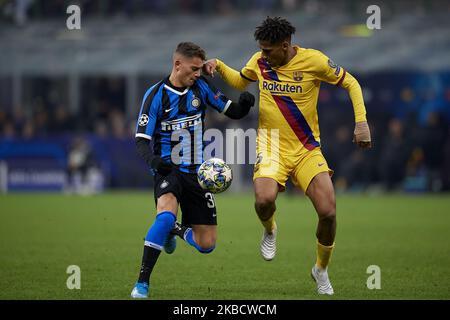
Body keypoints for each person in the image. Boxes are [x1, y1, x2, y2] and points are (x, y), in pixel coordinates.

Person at [203, 17, 371, 295]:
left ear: (285, 45)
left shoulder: (314, 61)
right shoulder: (260, 61)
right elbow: (239, 82)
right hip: (271, 146)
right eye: (262, 50)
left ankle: (320, 269)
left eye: (268, 50)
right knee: (264, 200)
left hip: (306, 149)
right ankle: (270, 229)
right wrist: (218, 65)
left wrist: (361, 122)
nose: (263, 55)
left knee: (328, 213)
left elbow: (351, 83)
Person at [130, 42, 255, 299]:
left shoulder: (201, 87)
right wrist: (154, 162)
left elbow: (232, 110)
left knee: (206, 245)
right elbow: (141, 140)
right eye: (194, 68)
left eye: (200, 69)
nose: (198, 74)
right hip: (168, 171)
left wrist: (245, 104)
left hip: (198, 174)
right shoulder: (155, 95)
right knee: (164, 216)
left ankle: (176, 230)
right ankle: (142, 283)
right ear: (177, 64)